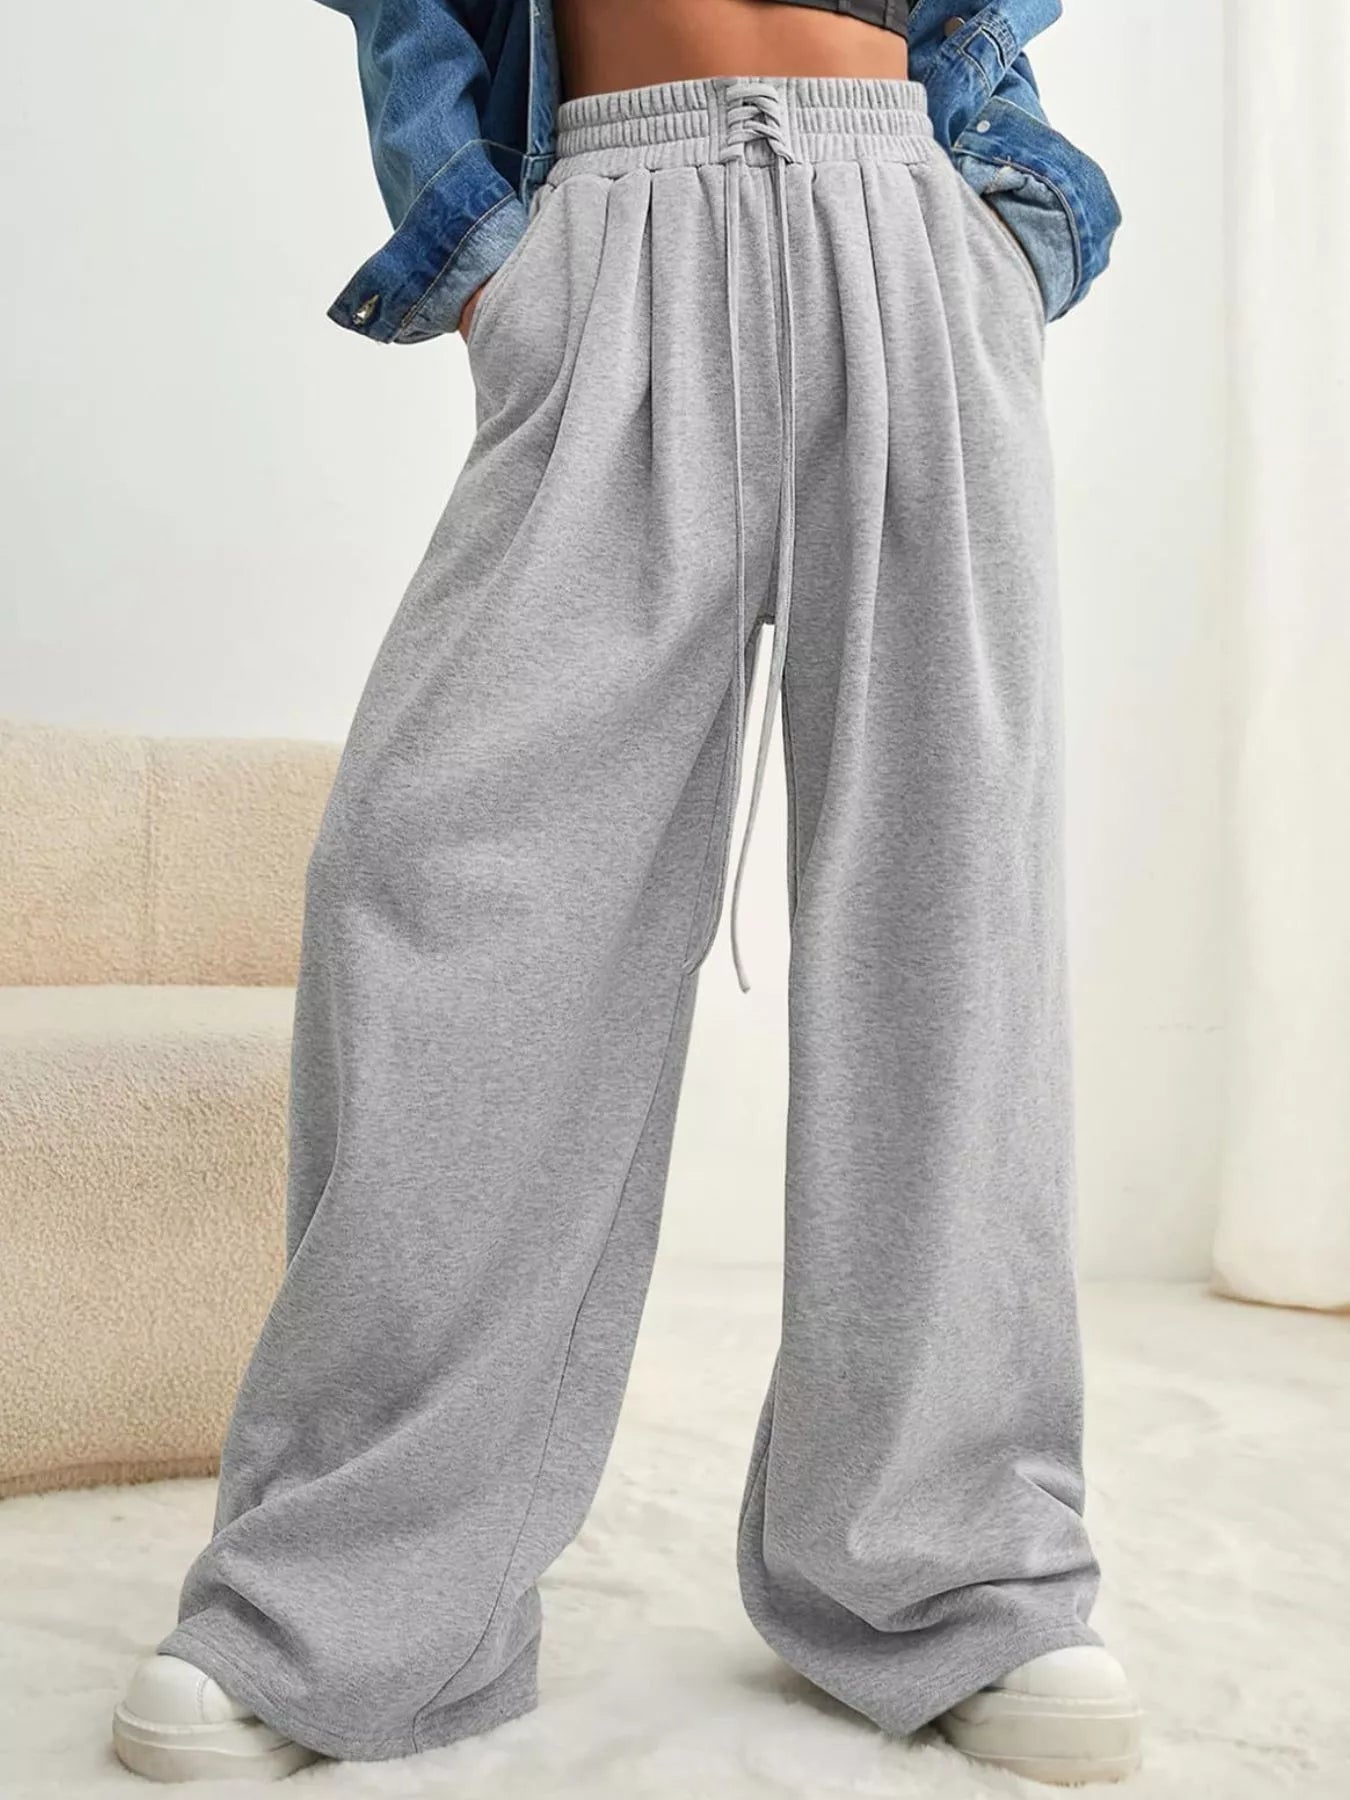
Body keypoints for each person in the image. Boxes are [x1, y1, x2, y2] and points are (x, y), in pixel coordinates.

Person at [112, 0, 1141, 1786]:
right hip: (610, 216)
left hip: (907, 218)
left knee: (945, 928)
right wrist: (499, 269)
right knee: (428, 894)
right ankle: (345, 1595)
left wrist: (998, 244)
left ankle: (959, 1571)